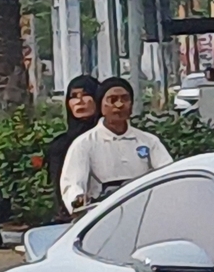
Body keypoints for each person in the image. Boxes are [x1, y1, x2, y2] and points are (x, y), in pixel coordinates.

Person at [59, 77, 172, 213]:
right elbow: (72, 184)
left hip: (146, 213)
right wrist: (77, 200)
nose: (119, 105)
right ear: (101, 106)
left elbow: (168, 175)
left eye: (124, 99)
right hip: (102, 216)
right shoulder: (84, 144)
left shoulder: (149, 141)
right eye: (112, 100)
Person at [43, 75, 105, 219]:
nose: (80, 101)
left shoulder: (112, 137)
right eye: (74, 96)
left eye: (86, 95)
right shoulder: (60, 145)